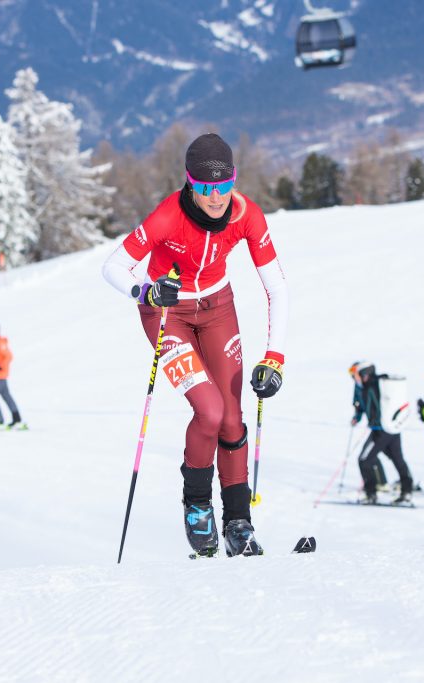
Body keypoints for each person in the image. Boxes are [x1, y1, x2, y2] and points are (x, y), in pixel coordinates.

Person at [102, 132, 288, 558]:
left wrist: (274, 358)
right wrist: (145, 292)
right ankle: (198, 506)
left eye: (224, 185)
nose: (217, 197)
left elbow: (277, 288)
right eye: (205, 188)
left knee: (232, 419)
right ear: (190, 183)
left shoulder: (247, 214)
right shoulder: (168, 215)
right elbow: (113, 266)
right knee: (209, 411)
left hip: (219, 308)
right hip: (167, 314)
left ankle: (238, 521)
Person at [350, 361, 414, 505]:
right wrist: (358, 416)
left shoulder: (374, 385)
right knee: (398, 460)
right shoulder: (369, 385)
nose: (354, 376)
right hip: (392, 429)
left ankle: (371, 493)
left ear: (364, 372)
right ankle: (407, 491)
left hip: (380, 431)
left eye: (356, 372)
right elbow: (362, 405)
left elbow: (372, 403)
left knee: (364, 460)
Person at [349, 362, 388, 493]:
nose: (353, 375)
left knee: (367, 457)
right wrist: (357, 417)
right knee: (371, 455)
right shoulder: (358, 386)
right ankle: (380, 482)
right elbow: (359, 405)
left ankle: (376, 486)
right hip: (373, 425)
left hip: (380, 426)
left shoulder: (371, 385)